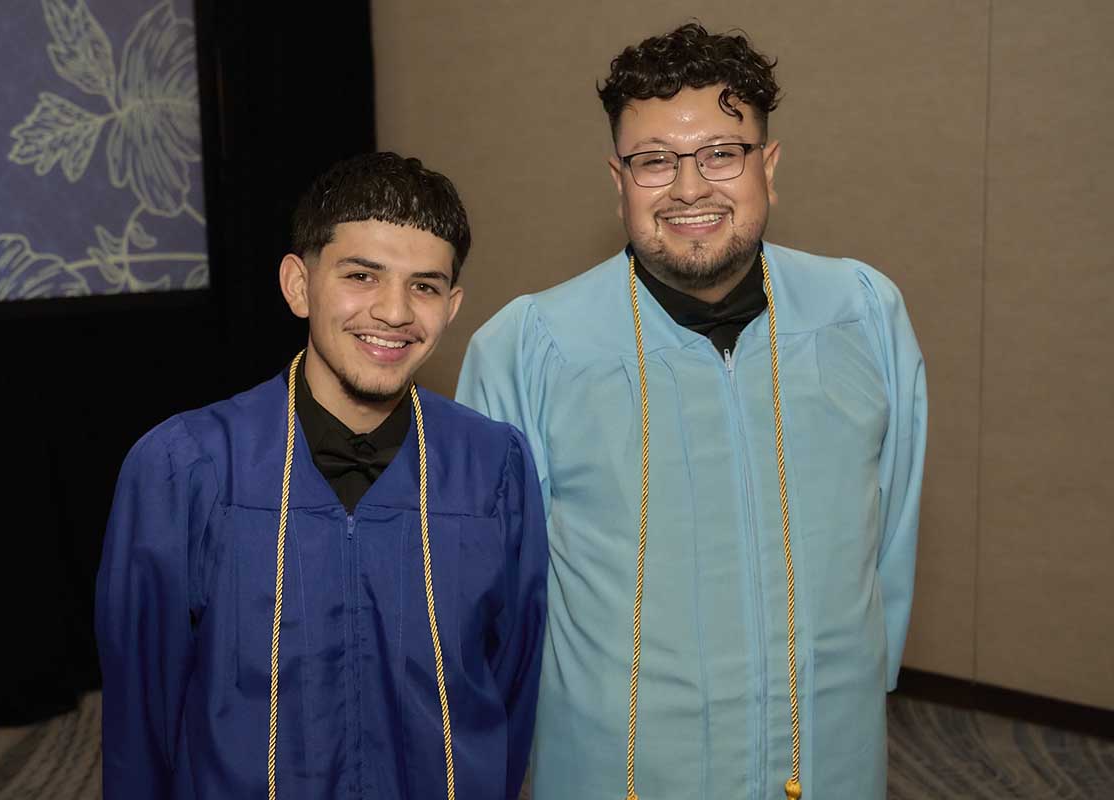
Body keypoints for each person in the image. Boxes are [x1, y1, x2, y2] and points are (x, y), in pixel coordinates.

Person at [457, 23, 926, 800]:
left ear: (768, 166)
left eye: (721, 153)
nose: (688, 188)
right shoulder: (529, 348)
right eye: (654, 161)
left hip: (824, 748)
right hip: (620, 764)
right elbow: (490, 599)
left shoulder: (863, 314)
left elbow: (894, 534)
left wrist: (861, 681)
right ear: (618, 181)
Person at [97, 152, 548, 800]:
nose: (394, 311)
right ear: (298, 285)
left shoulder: (493, 466)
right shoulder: (188, 466)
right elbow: (142, 718)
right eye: (362, 276)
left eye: (424, 286)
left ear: (451, 306)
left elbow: (509, 687)